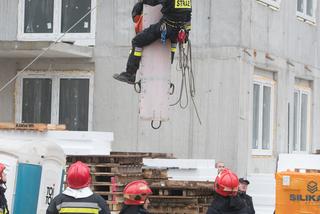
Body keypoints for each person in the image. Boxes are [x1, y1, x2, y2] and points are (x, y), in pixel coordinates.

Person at [113, 0, 192, 84]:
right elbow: (188, 15)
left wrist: (141, 2)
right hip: (180, 30)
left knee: (137, 41)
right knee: (173, 45)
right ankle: (166, 74)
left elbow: (153, 1)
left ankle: (130, 74)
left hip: (167, 27)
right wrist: (186, 32)